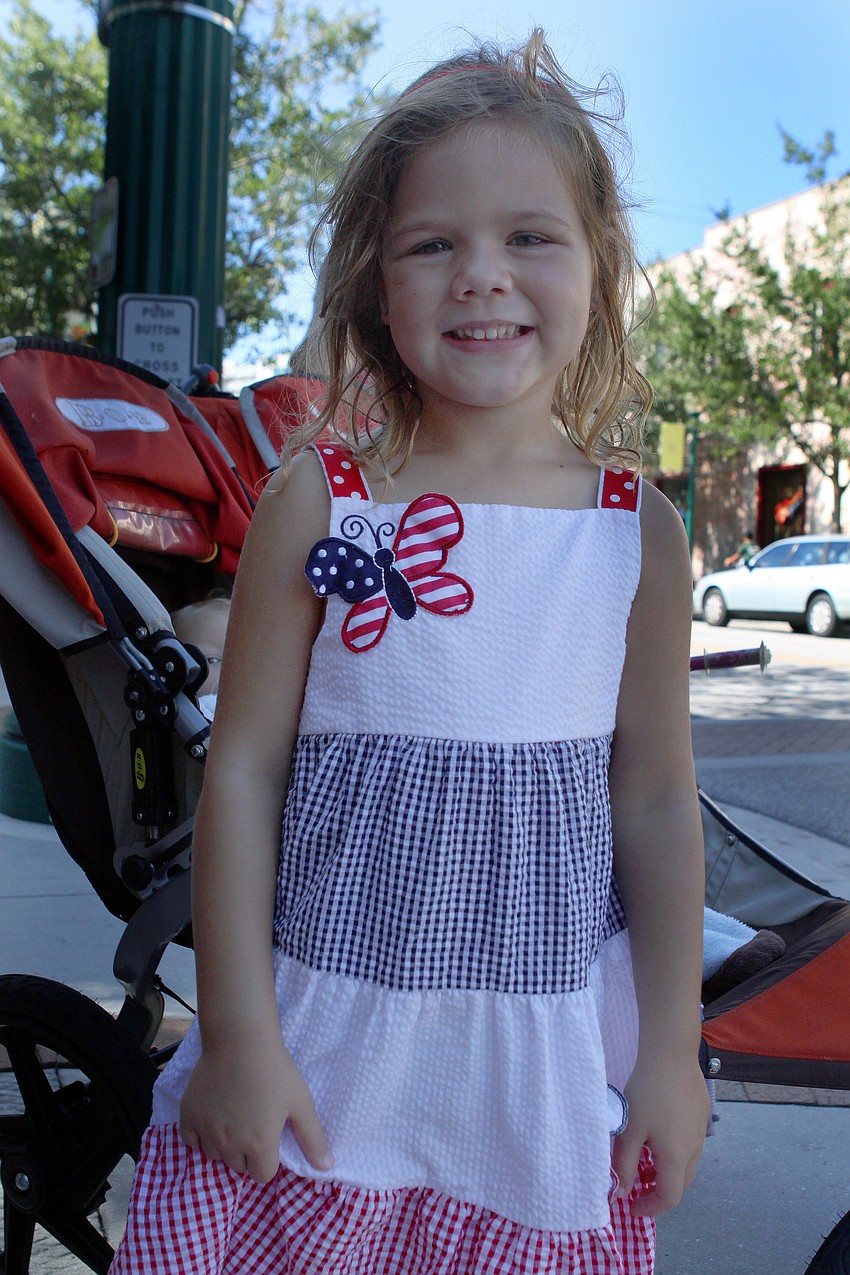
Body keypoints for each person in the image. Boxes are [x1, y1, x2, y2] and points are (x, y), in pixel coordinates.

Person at [111, 30, 709, 1275]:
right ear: (375, 282)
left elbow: (652, 801)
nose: (481, 277)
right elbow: (247, 772)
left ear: (598, 261)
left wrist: (668, 1049)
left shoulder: (635, 533)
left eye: (529, 237)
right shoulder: (321, 500)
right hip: (325, 1054)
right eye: (433, 244)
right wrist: (234, 1035)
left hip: (531, 1084)